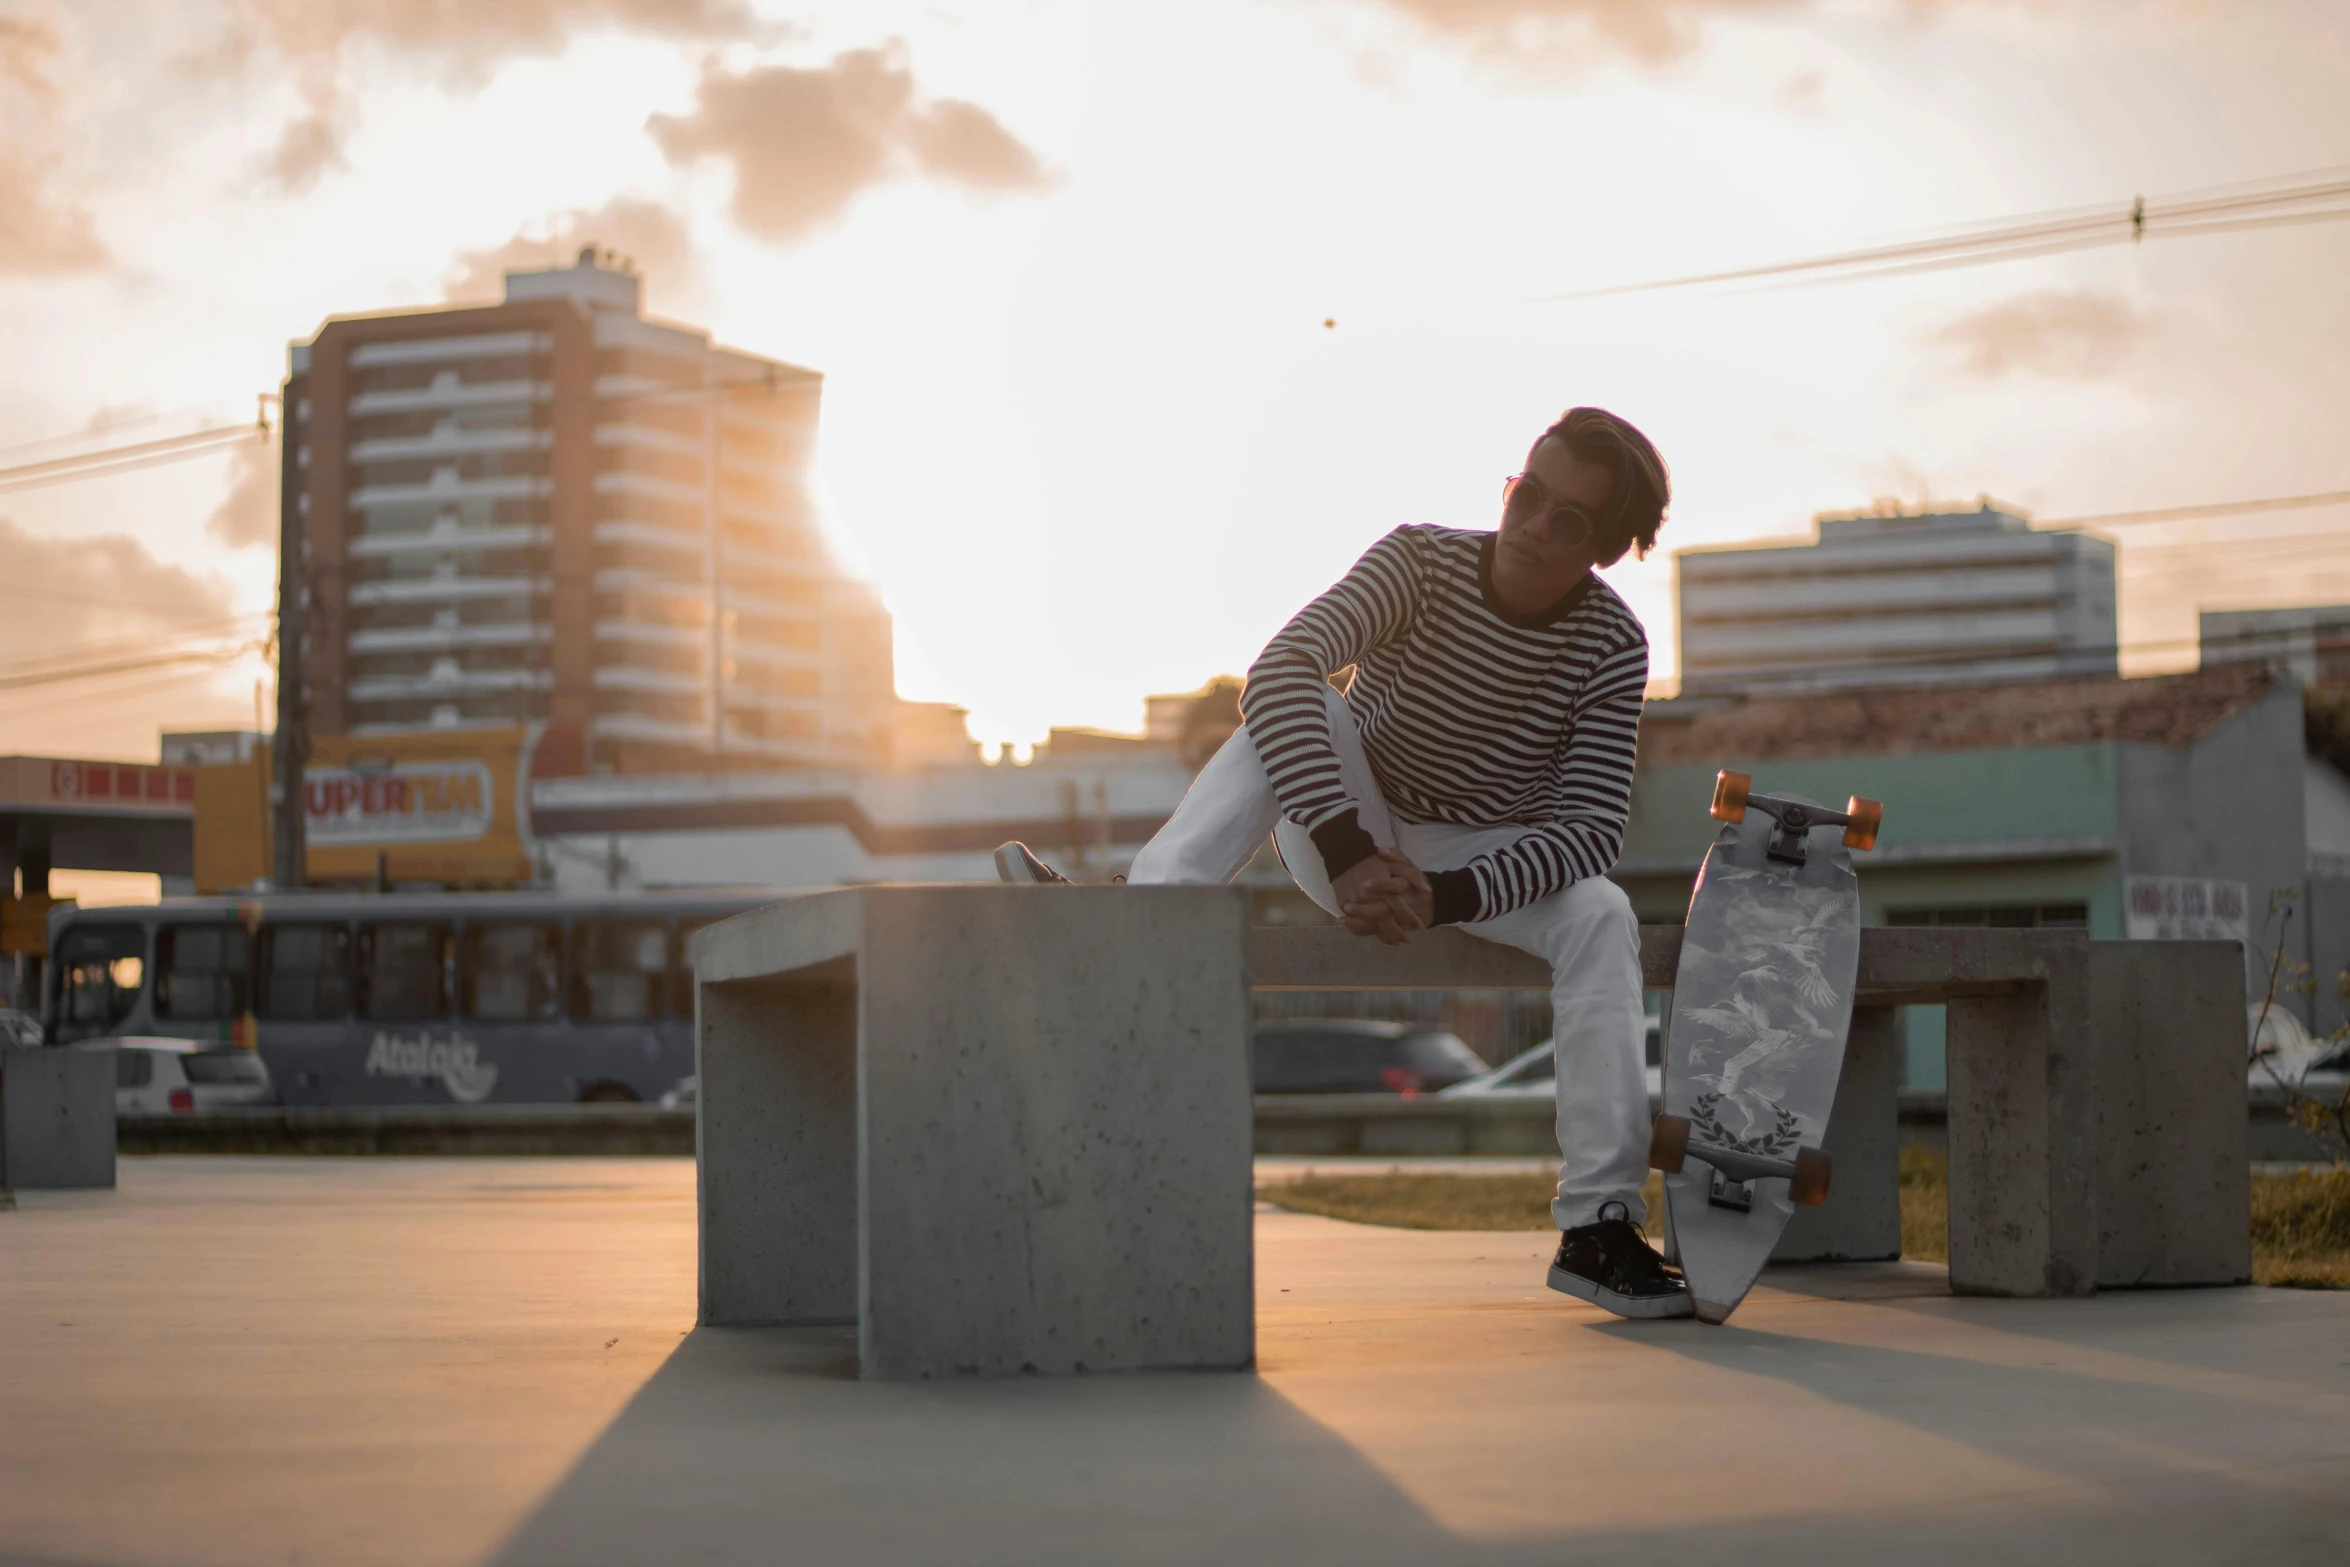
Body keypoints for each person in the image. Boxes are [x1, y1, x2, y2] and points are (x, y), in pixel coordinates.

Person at [996, 406, 1685, 1319]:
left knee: (1601, 911)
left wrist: (1440, 893)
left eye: (1567, 521)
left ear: (1603, 549)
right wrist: (1352, 851)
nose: (1531, 529)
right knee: (1298, 702)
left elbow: (1592, 828)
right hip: (1345, 816)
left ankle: (1598, 1228)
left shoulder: (1611, 643)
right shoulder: (1421, 562)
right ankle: (1141, 910)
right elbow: (1280, 667)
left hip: (1468, 861)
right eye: (1528, 496)